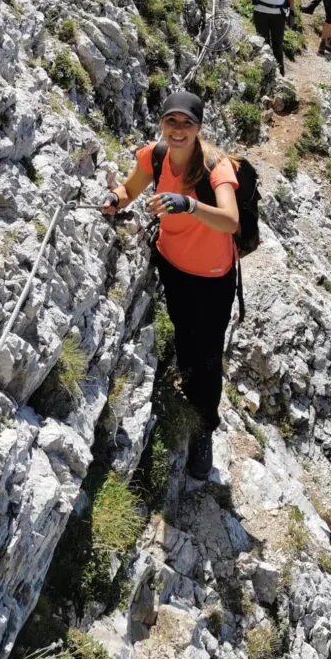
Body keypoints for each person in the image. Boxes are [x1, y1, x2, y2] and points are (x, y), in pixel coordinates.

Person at [102, 90, 240, 481]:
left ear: (199, 128)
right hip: (173, 266)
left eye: (187, 124)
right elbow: (131, 189)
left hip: (214, 277)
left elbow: (229, 220)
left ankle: (204, 429)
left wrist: (190, 205)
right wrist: (116, 198)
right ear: (162, 123)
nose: (178, 130)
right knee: (185, 336)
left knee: (209, 354)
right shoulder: (156, 155)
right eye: (171, 121)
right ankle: (191, 389)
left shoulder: (216, 167)